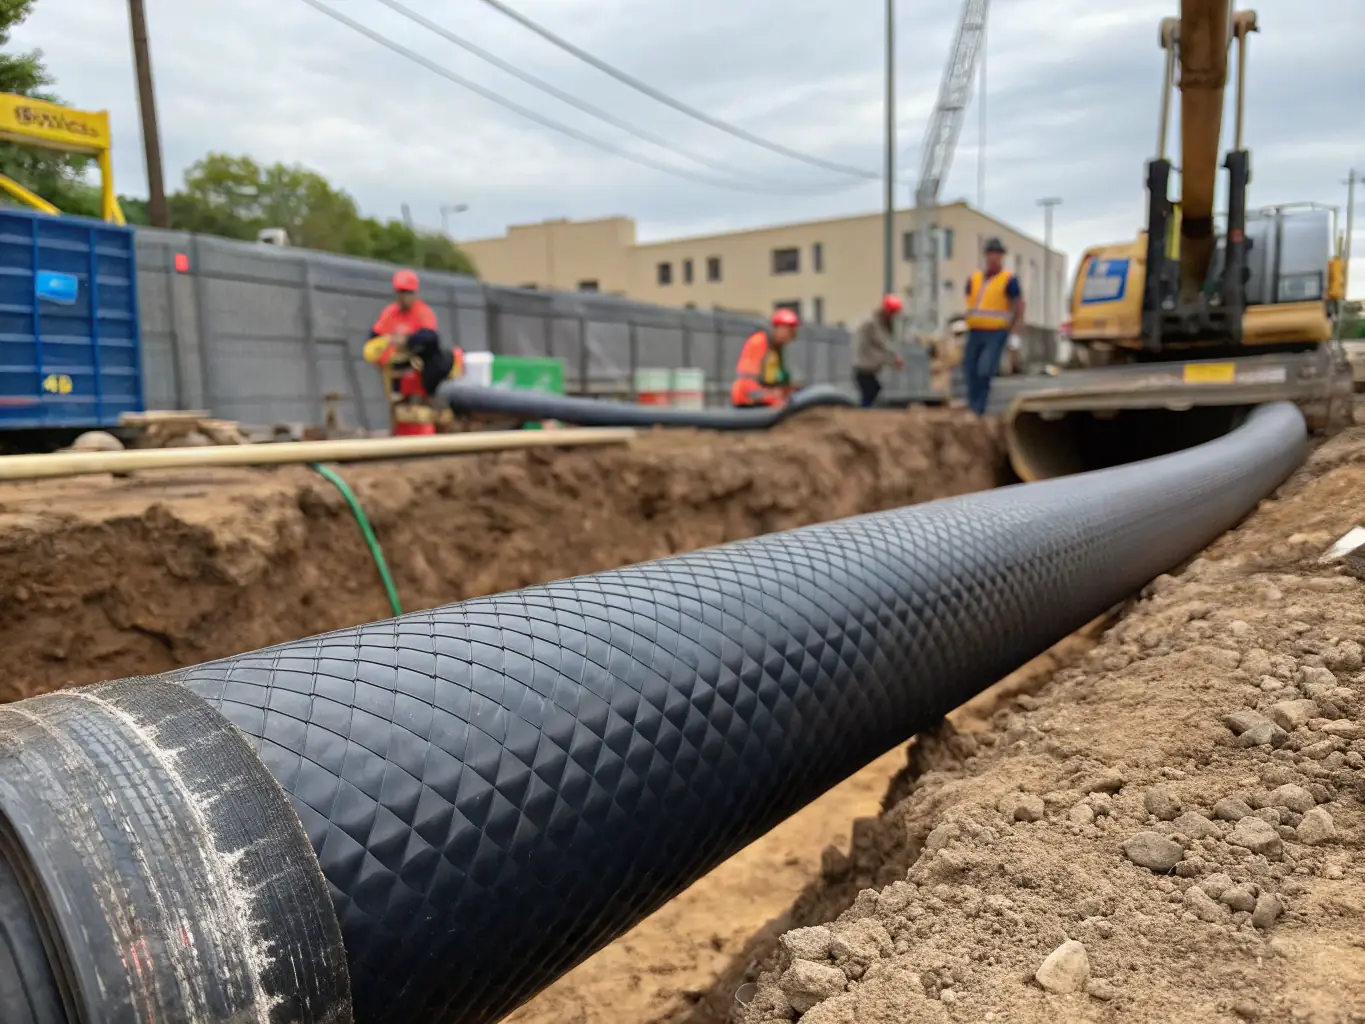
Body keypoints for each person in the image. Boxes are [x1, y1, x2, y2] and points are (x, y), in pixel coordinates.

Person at [363, 269, 464, 435]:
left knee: (428, 364)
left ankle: (430, 409)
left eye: (407, 293)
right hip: (400, 367)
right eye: (400, 293)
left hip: (424, 364)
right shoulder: (390, 313)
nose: (403, 297)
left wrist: (407, 340)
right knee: (398, 385)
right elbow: (375, 335)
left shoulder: (422, 312)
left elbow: (430, 337)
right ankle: (402, 422)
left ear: (414, 293)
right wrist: (382, 346)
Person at [961, 238, 1024, 415]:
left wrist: (1014, 328)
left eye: (997, 254)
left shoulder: (1008, 280)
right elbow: (970, 302)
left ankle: (978, 408)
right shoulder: (974, 279)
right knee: (970, 368)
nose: (993, 258)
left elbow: (1017, 303)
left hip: (996, 332)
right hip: (975, 331)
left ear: (1001, 257)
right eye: (990, 254)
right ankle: (972, 405)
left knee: (984, 369)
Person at [731, 308, 800, 407]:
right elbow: (747, 382)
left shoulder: (776, 349)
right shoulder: (758, 342)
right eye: (788, 331)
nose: (789, 337)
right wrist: (771, 397)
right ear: (777, 328)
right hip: (749, 401)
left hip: (762, 397)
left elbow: (776, 378)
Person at [852, 294, 907, 407]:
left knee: (874, 390)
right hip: (864, 367)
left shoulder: (881, 324)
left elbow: (884, 346)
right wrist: (891, 360)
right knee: (871, 391)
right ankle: (864, 412)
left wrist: (893, 358)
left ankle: (865, 411)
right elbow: (870, 349)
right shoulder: (871, 324)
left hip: (870, 368)